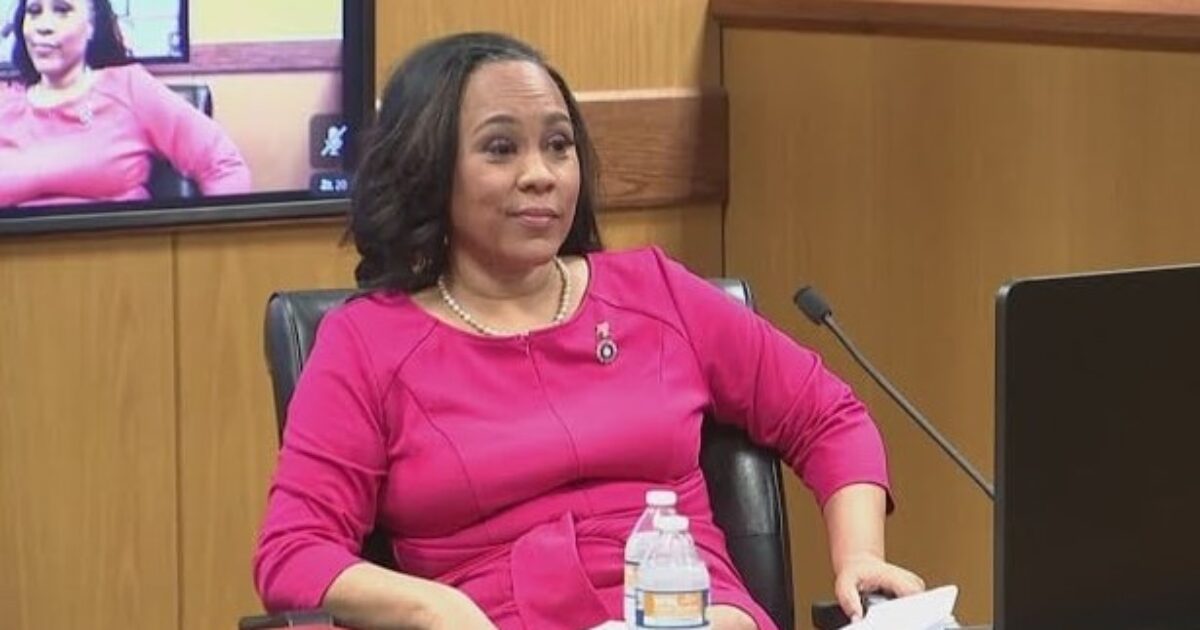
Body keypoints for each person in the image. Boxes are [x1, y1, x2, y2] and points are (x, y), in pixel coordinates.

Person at [253, 32, 925, 630]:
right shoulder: (369, 343)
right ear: (430, 171)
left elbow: (827, 416)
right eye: (500, 149)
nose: (541, 175)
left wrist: (860, 557)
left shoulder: (656, 293)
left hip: (688, 613)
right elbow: (294, 551)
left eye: (558, 146)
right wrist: (435, 609)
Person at [0, 0, 250, 208]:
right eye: (34, 12)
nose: (43, 26)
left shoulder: (129, 89)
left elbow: (222, 164)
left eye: (62, 10)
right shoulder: (5, 105)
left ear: (92, 25)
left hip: (120, 250)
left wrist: (213, 248)